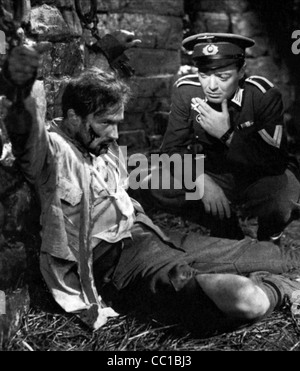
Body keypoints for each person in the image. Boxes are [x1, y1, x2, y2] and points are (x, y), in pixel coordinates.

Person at [2, 43, 300, 336]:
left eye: (118, 122)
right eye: (107, 123)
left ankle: (273, 273)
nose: (116, 133)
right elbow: (27, 137)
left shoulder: (99, 143)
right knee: (245, 300)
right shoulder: (53, 153)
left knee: (275, 256)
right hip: (119, 262)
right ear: (73, 118)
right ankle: (280, 287)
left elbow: (150, 164)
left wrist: (198, 177)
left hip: (152, 233)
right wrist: (20, 93)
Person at [144, 33, 300, 241]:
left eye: (223, 77)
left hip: (259, 176)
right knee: (151, 181)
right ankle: (225, 228)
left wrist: (227, 135)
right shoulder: (187, 92)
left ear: (241, 71)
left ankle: (270, 235)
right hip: (214, 171)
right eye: (204, 75)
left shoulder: (262, 95)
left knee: (283, 198)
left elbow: (275, 161)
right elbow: (172, 150)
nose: (212, 86)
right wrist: (200, 179)